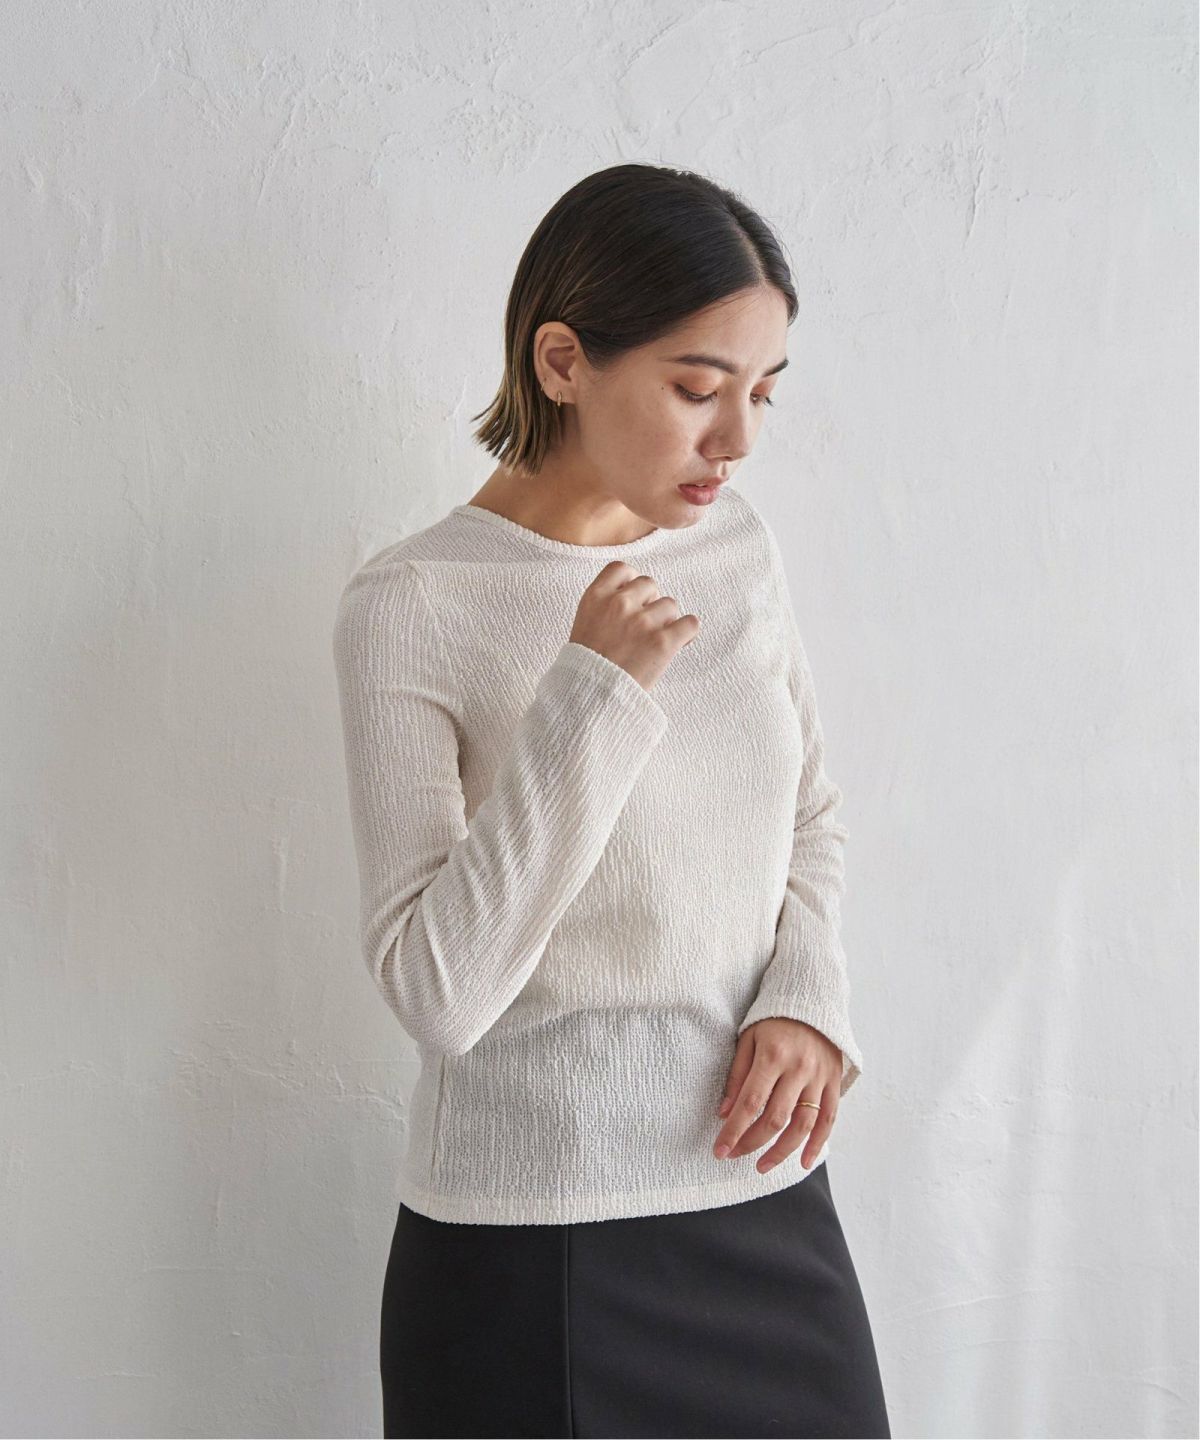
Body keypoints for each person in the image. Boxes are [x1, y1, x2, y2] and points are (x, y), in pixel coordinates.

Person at [332, 162, 891, 1439]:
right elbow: (436, 992)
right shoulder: (413, 605)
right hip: (532, 1256)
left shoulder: (734, 549)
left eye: (762, 391)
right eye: (698, 388)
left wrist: (808, 997)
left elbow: (810, 811)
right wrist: (591, 693)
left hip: (765, 1205)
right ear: (562, 362)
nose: (737, 438)